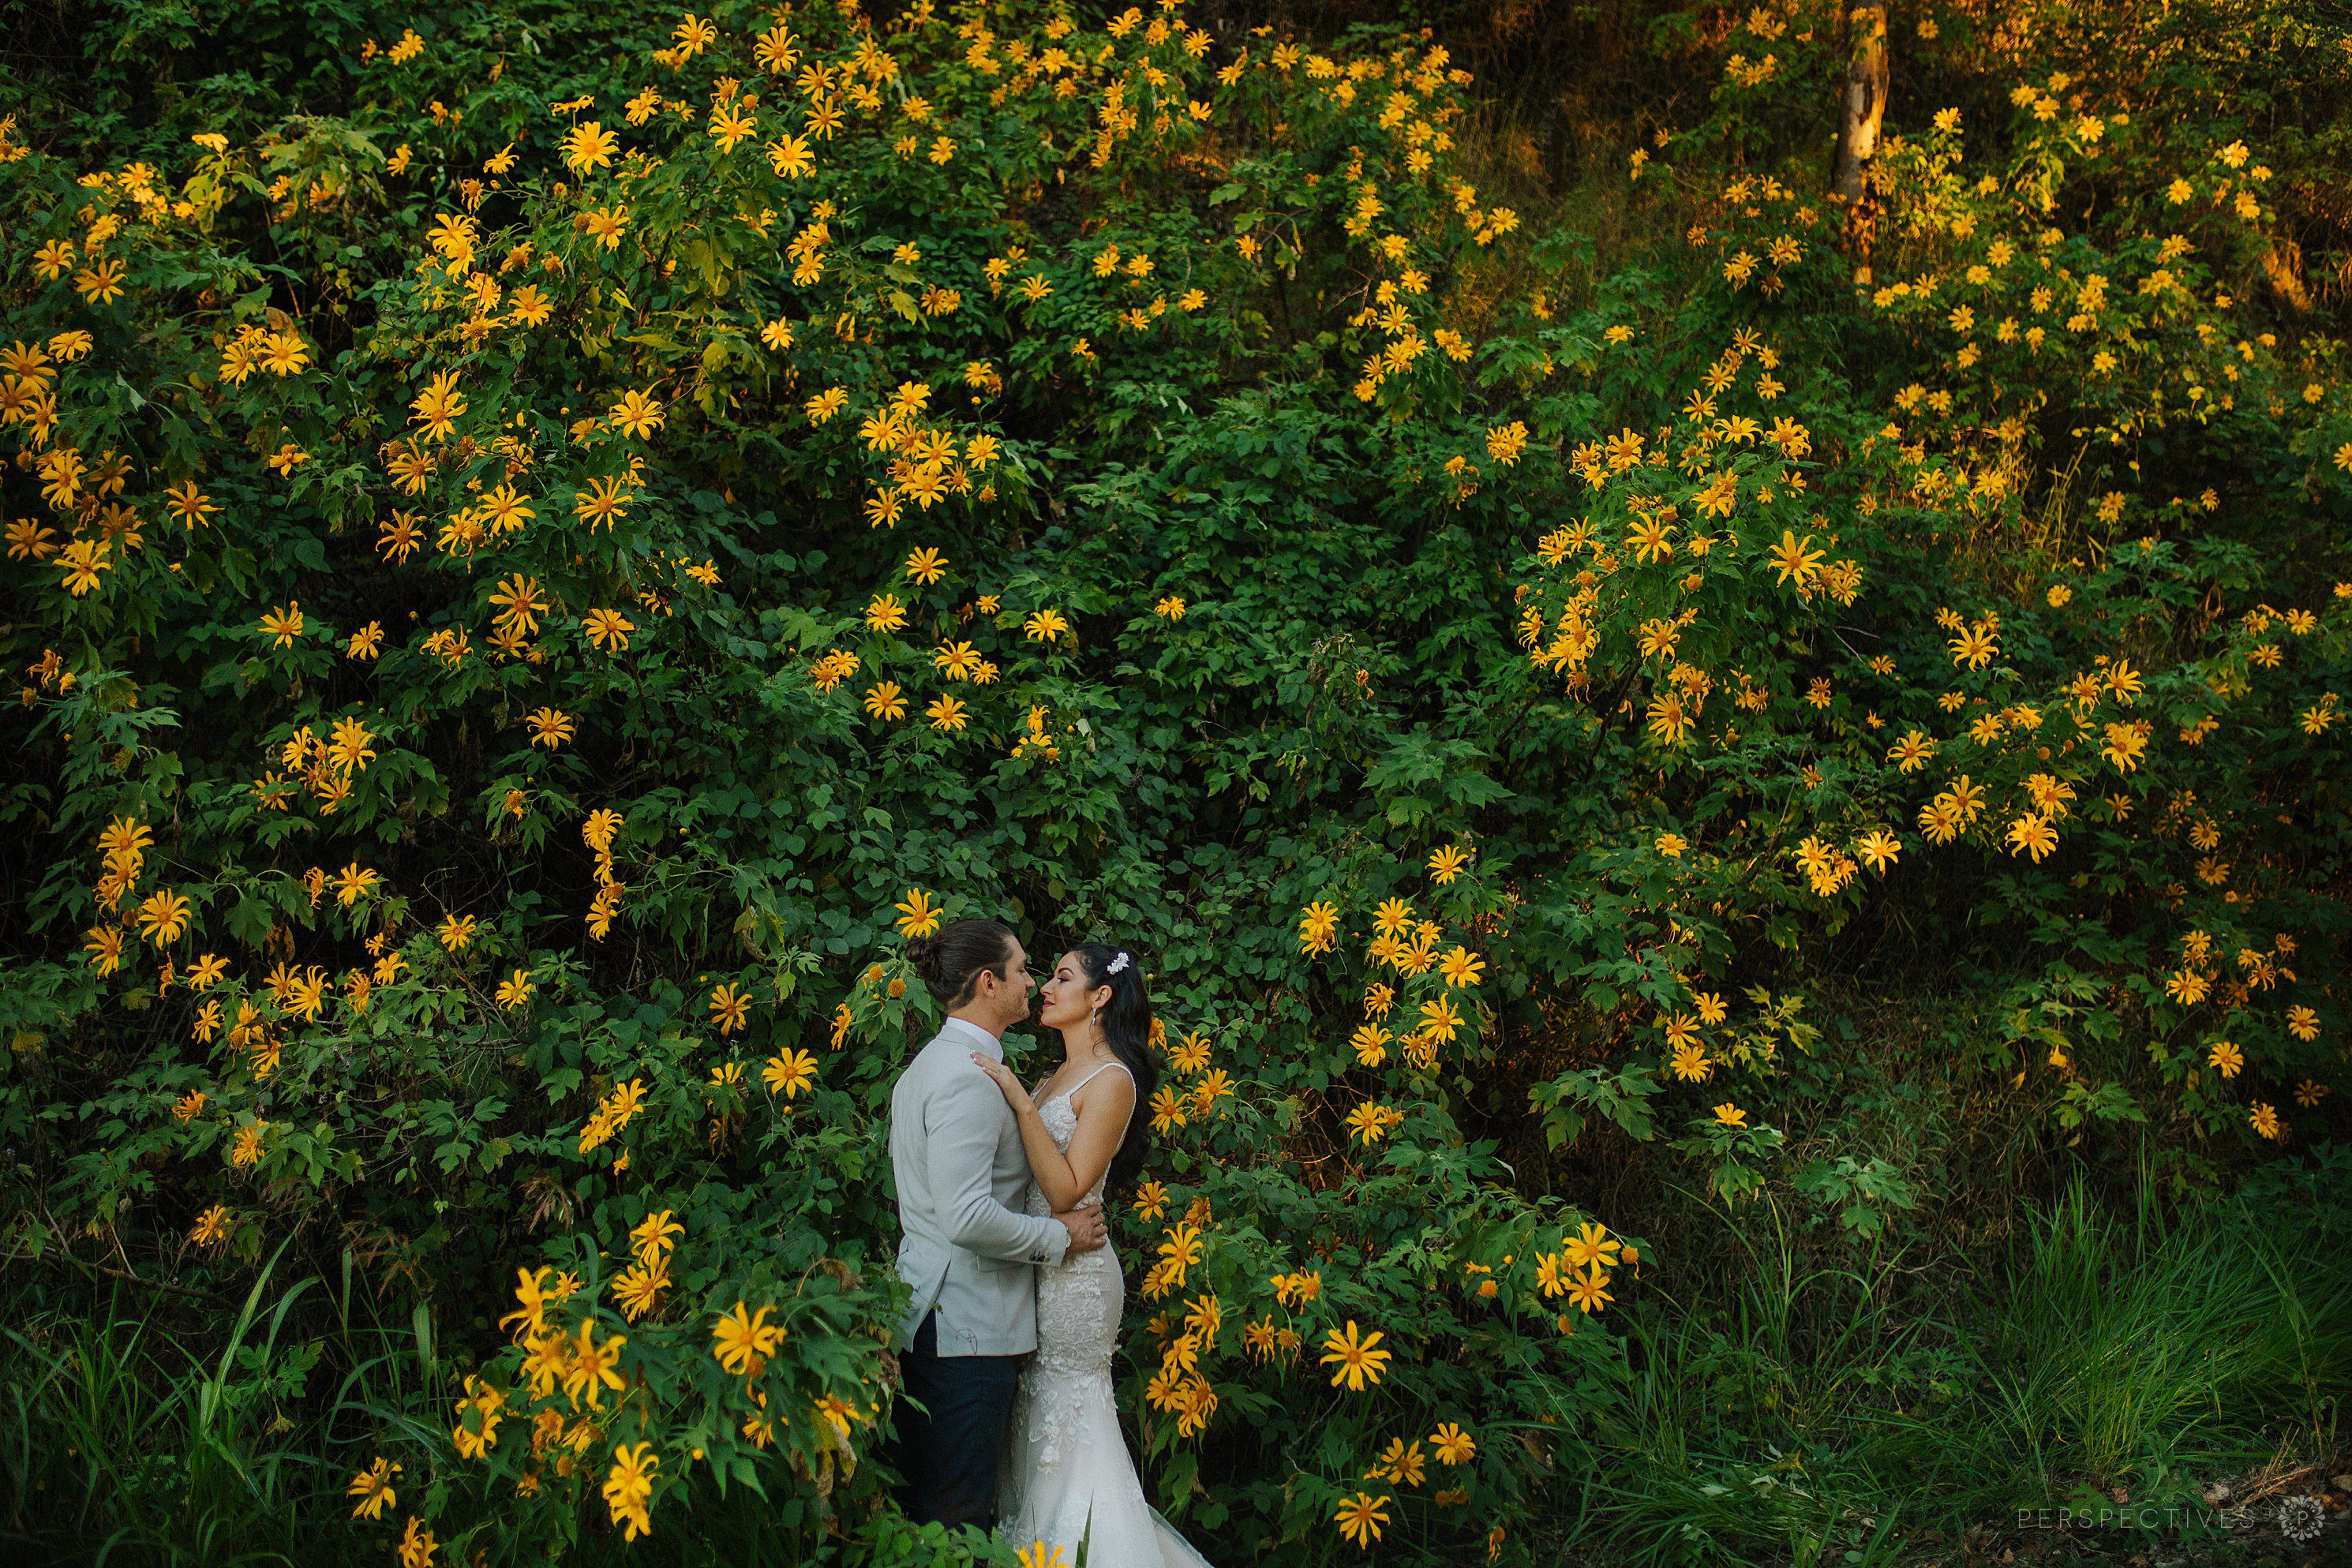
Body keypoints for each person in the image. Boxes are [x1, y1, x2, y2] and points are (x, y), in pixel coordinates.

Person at [969, 942, 1215, 1567]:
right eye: (1047, 976)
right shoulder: (1056, 1074)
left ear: (1100, 996)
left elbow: (1066, 1187)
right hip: (1040, 1264)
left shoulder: (1114, 1079)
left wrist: (1019, 1101)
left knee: (1071, 1420)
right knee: (1037, 1422)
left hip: (1077, 1279)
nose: (1046, 987)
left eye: (1062, 977)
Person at [886, 919, 1109, 1534]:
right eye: (1022, 970)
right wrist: (1061, 1236)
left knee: (933, 1512)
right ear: (989, 982)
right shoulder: (968, 1077)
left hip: (936, 1317)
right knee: (955, 1521)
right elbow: (965, 1215)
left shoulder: (932, 1064)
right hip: (965, 1328)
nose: (1033, 983)